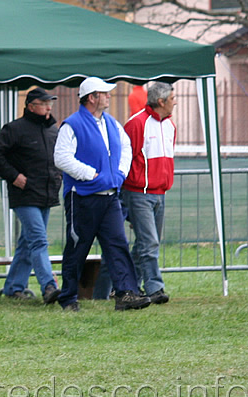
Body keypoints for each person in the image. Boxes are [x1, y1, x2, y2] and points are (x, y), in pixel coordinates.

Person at [53, 77, 150, 312]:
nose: (109, 96)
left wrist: (120, 173)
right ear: (91, 97)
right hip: (83, 197)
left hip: (109, 197)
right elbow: (62, 157)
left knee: (118, 244)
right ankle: (68, 298)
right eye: (104, 93)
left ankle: (126, 293)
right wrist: (91, 175)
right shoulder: (72, 125)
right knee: (78, 248)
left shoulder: (112, 123)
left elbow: (126, 147)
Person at [0, 87, 62, 304]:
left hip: (45, 195)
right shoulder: (15, 129)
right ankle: (49, 286)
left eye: (50, 103)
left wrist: (58, 177)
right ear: (31, 106)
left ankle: (13, 287)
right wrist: (13, 176)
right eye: (44, 103)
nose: (48, 106)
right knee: (38, 240)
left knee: (28, 242)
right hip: (25, 196)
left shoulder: (53, 130)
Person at [122, 82, 177, 304]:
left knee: (145, 244)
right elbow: (126, 158)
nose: (175, 102)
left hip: (159, 192)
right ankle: (155, 287)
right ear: (161, 101)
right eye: (173, 98)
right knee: (150, 242)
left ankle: (129, 285)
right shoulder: (136, 124)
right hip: (138, 192)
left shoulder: (170, 126)